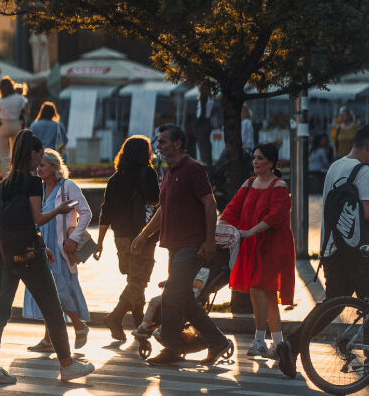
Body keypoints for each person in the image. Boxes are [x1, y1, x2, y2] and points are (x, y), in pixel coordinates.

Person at [276, 125, 369, 378]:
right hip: (360, 253)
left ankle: (291, 345)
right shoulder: (365, 172)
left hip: (332, 250)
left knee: (333, 305)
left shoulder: (336, 166)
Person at [0, 130, 94, 384]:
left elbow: (17, 218)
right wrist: (60, 209)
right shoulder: (32, 181)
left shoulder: (8, 180)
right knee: (53, 310)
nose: (39, 161)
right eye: (40, 156)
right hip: (29, 254)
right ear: (32, 154)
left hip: (5, 252)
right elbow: (37, 218)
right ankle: (67, 365)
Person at [131, 124, 232, 366]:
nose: (159, 146)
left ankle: (172, 348)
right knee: (184, 298)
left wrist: (209, 241)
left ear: (177, 144)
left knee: (172, 295)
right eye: (159, 141)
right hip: (173, 245)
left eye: (163, 141)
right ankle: (217, 342)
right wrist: (143, 235)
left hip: (191, 245)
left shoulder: (192, 169)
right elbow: (163, 209)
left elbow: (210, 204)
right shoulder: (169, 171)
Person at [219, 143, 295, 358]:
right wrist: (221, 225)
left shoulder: (279, 186)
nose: (255, 162)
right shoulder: (250, 183)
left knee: (258, 289)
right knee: (267, 294)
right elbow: (233, 207)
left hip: (273, 247)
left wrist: (251, 231)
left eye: (260, 158)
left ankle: (260, 341)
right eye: (254, 158)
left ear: (271, 163)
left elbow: (275, 217)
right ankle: (278, 343)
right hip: (251, 244)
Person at [23, 149, 92, 350]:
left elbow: (86, 213)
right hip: (42, 245)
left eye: (43, 165)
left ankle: (79, 327)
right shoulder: (39, 189)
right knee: (46, 292)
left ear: (55, 166)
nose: (39, 169)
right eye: (38, 165)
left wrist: (74, 238)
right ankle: (49, 339)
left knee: (59, 291)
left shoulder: (67, 186)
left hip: (61, 247)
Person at [95, 135, 160, 342]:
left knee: (134, 280)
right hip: (142, 236)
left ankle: (141, 324)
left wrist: (100, 242)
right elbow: (156, 201)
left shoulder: (115, 179)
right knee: (138, 280)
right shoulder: (147, 174)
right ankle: (116, 317)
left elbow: (106, 212)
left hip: (120, 237)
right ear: (145, 153)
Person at [0, 76, 28, 176]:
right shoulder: (19, 98)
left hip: (4, 124)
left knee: (4, 153)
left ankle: (6, 176)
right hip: (16, 124)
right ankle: (17, 173)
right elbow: (27, 111)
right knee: (17, 151)